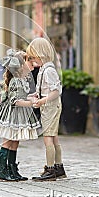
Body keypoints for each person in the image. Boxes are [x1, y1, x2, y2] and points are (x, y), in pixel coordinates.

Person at [0, 49, 41, 181]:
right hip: (11, 114)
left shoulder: (23, 79)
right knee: (8, 141)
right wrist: (30, 103)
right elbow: (15, 101)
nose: (32, 64)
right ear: (21, 65)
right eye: (29, 61)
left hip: (19, 114)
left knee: (15, 141)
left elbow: (21, 95)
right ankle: (1, 170)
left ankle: (12, 169)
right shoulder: (15, 81)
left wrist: (31, 96)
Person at [26, 37, 67, 181]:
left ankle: (50, 169)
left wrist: (42, 100)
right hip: (48, 105)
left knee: (48, 137)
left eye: (33, 56)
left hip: (50, 106)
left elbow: (56, 91)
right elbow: (47, 88)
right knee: (54, 137)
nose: (32, 60)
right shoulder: (45, 68)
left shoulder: (49, 70)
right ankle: (58, 167)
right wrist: (37, 95)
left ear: (41, 54)